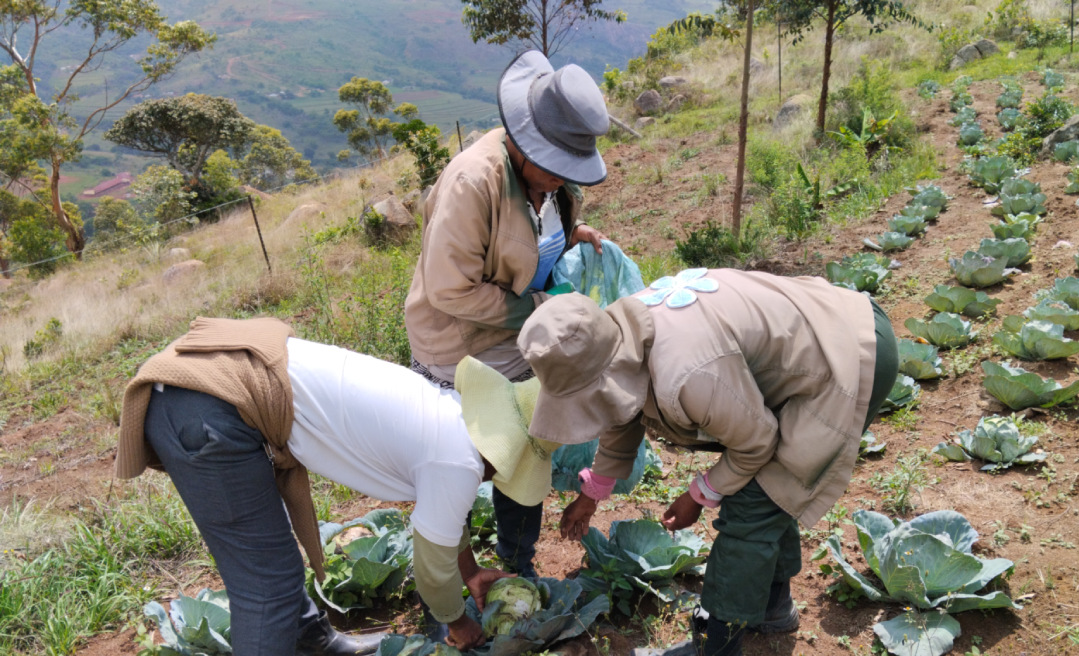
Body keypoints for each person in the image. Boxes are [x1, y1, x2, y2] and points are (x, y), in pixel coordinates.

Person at [115, 317, 561, 656]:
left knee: (273, 565)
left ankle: (311, 639)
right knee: (266, 588)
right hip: (211, 405)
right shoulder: (457, 460)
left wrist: (470, 572)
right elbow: (431, 568)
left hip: (213, 389)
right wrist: (458, 623)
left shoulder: (453, 416)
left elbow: (444, 518)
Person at [515, 268, 899, 656]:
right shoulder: (616, 333)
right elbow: (619, 408)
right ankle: (773, 607)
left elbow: (756, 444)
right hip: (821, 331)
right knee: (763, 493)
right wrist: (592, 493)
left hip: (848, 352)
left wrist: (698, 495)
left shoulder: (689, 372)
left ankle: (719, 647)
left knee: (753, 507)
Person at [404, 49, 611, 579]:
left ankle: (517, 562)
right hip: (461, 343)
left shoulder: (548, 182)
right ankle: (451, 571)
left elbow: (528, 236)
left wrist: (572, 233)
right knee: (464, 458)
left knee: (526, 448)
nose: (561, 180)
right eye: (555, 168)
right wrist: (538, 308)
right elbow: (450, 290)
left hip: (517, 334)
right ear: (523, 140)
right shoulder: (474, 182)